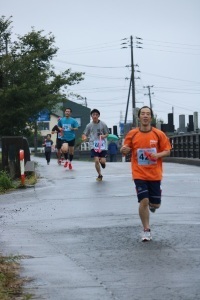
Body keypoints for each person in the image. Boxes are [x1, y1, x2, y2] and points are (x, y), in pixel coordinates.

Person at [120, 106, 171, 242]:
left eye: (148, 114)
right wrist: (123, 150)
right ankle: (146, 230)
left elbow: (167, 150)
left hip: (154, 174)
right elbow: (125, 149)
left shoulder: (159, 134)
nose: (145, 116)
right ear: (139, 117)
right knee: (144, 201)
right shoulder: (132, 134)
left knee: (155, 205)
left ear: (151, 117)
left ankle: (154, 203)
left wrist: (157, 155)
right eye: (142, 114)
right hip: (139, 173)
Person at [82, 109, 109, 181]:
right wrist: (84, 137)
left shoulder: (103, 124)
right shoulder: (89, 125)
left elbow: (107, 133)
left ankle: (102, 163)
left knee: (102, 161)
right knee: (96, 160)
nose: (95, 116)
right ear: (91, 116)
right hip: (93, 145)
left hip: (102, 145)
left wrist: (104, 136)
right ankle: (99, 175)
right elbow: (85, 134)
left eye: (96, 115)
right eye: (93, 115)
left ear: (98, 116)